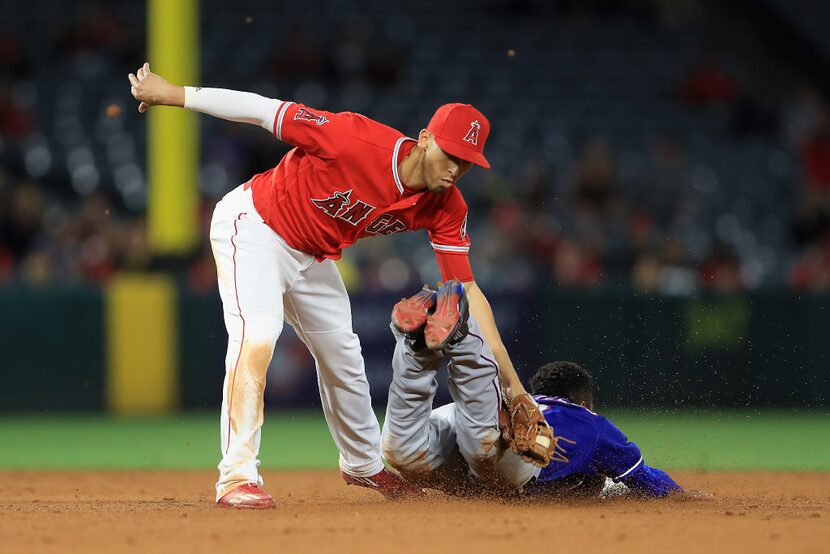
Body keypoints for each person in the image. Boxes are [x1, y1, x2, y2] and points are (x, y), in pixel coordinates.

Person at [127, 62, 544, 508]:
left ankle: (363, 464)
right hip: (254, 227)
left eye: (468, 161)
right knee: (258, 338)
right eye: (451, 154)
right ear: (425, 138)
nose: (456, 168)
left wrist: (514, 386)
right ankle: (236, 476)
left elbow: (467, 291)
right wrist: (176, 94)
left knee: (344, 356)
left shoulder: (447, 206)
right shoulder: (354, 138)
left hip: (313, 254)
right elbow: (263, 109)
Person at [383, 283, 688, 499]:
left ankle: (413, 346)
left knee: (401, 452)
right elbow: (645, 480)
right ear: (582, 401)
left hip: (455, 420)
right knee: (481, 451)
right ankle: (462, 336)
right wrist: (685, 495)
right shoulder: (589, 422)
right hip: (499, 448)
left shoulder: (527, 402)